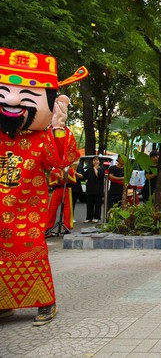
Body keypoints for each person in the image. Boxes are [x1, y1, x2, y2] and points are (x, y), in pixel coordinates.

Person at [0, 47, 87, 326]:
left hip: (28, 214)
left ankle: (45, 302)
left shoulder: (39, 140)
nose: (13, 101)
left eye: (26, 96)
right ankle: (5, 303)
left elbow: (62, 159)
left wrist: (59, 125)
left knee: (31, 255)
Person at [45, 166, 78, 234]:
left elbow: (74, 181)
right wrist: (57, 181)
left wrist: (67, 176)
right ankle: (48, 227)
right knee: (52, 208)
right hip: (57, 190)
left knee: (67, 209)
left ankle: (67, 227)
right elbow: (50, 184)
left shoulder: (70, 170)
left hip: (67, 190)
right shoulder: (54, 171)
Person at [83, 156, 105, 222]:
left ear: (99, 162)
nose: (95, 162)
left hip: (98, 190)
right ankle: (88, 217)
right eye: (94, 160)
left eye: (97, 160)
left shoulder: (101, 169)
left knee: (97, 204)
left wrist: (95, 168)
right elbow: (84, 176)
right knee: (89, 204)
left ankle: (96, 217)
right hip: (90, 189)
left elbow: (98, 175)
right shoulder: (89, 169)